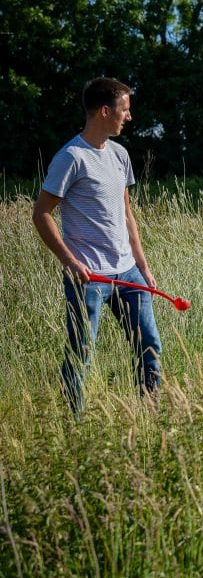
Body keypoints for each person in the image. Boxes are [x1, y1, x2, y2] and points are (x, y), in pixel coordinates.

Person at [32, 77, 162, 415]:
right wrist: (70, 261)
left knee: (149, 346)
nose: (128, 117)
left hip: (128, 273)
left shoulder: (119, 154)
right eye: (125, 110)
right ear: (105, 111)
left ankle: (151, 420)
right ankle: (70, 425)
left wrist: (143, 266)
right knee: (82, 352)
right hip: (89, 278)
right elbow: (41, 213)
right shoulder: (71, 157)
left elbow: (127, 214)